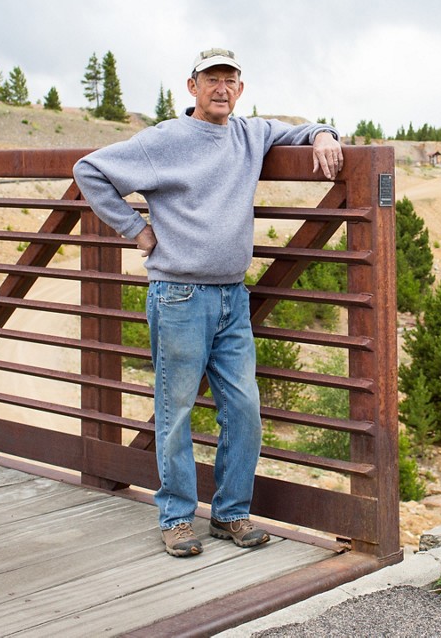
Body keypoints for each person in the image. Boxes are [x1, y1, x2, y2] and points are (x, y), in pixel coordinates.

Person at [73, 47, 343, 557]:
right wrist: (135, 229)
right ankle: (176, 518)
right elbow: (89, 169)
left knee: (243, 409)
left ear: (240, 89)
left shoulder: (251, 133)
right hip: (179, 294)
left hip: (232, 297)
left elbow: (303, 128)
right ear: (192, 86)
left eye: (230, 79)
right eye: (211, 79)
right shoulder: (166, 140)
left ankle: (230, 514)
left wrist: (324, 133)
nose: (221, 88)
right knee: (175, 411)